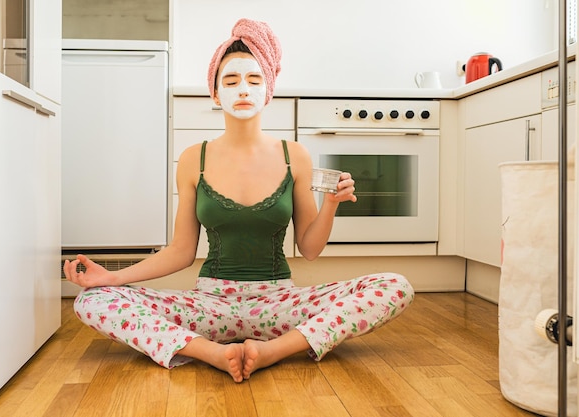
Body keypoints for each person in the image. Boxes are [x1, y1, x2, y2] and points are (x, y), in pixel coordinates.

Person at [63, 18, 414, 383]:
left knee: (395, 285)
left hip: (280, 304)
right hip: (209, 304)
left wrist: (331, 204)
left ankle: (272, 350)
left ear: (268, 90)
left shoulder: (295, 155)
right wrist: (114, 278)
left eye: (254, 80)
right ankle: (211, 352)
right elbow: (182, 251)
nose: (243, 89)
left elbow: (309, 248)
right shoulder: (192, 159)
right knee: (93, 301)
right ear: (215, 93)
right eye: (231, 81)